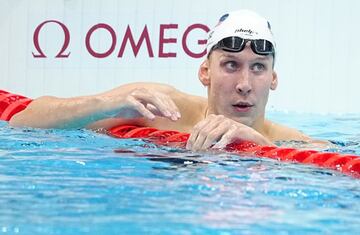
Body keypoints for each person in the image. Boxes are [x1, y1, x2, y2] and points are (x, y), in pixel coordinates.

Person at [9, 9, 311, 150]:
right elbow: (24, 120)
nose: (245, 83)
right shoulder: (162, 108)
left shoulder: (294, 142)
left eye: (258, 68)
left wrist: (261, 146)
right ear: (204, 72)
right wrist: (105, 106)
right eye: (231, 65)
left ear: (273, 79)